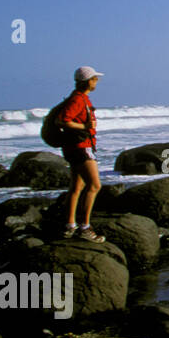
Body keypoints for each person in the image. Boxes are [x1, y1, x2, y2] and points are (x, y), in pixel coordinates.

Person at [61, 66, 106, 242]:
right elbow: (63, 120)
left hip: (74, 148)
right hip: (81, 147)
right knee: (94, 186)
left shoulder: (78, 98)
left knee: (76, 187)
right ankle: (84, 228)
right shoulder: (78, 100)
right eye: (95, 79)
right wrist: (85, 127)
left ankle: (69, 226)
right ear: (89, 81)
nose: (97, 82)